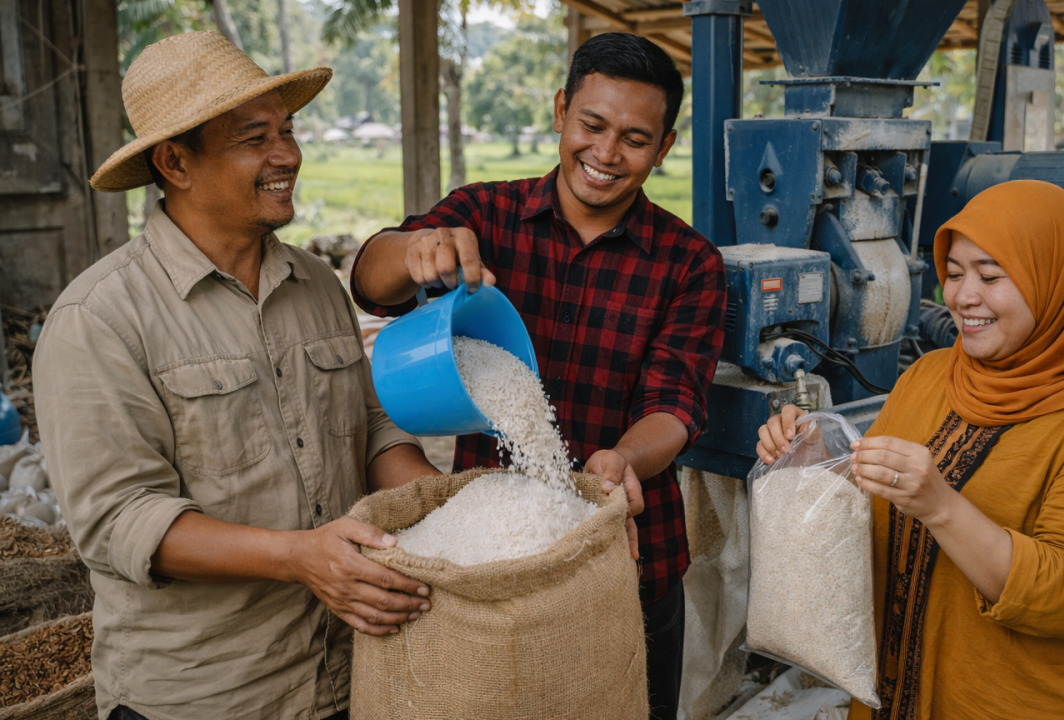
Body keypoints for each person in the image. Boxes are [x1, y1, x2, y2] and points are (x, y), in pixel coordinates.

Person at [33, 32, 442, 720]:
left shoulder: (314, 283)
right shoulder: (99, 317)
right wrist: (301, 557)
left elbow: (370, 429)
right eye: (256, 138)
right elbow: (119, 520)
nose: (287, 155)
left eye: (287, 130)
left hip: (345, 673)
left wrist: (446, 505)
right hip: (205, 692)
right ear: (175, 162)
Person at [350, 32, 727, 719]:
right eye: (592, 125)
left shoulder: (689, 262)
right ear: (561, 111)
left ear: (665, 146)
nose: (607, 153)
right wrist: (414, 251)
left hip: (629, 555)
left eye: (635, 138)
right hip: (492, 563)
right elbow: (371, 281)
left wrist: (621, 461)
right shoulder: (486, 216)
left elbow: (674, 403)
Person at [756, 180, 1064, 720]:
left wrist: (941, 506)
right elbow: (879, 509)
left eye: (991, 276)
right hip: (895, 696)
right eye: (953, 274)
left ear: (1057, 280)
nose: (963, 296)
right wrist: (815, 464)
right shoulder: (933, 374)